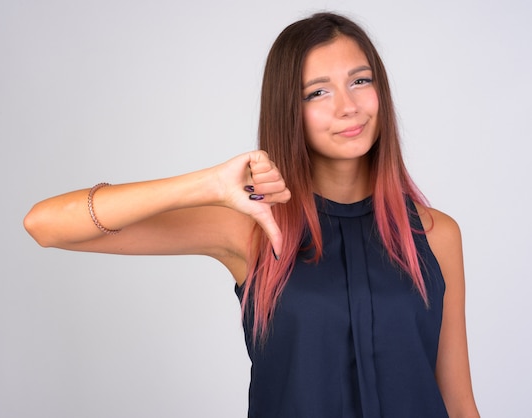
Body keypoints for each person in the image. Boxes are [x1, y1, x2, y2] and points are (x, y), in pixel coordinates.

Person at [24, 12, 480, 418]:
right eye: (317, 92)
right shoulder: (251, 225)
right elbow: (45, 225)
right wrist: (208, 185)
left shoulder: (436, 234)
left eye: (360, 81)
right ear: (289, 110)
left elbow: (459, 405)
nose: (348, 106)